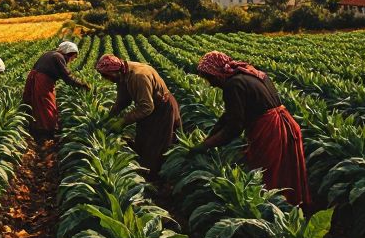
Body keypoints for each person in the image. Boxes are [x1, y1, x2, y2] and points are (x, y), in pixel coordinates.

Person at [191, 51, 311, 207]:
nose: (211, 84)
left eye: (210, 78)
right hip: (287, 124)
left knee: (266, 176)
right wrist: (210, 136)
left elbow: (234, 127)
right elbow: (229, 115)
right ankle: (293, 210)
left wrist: (205, 146)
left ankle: (275, 215)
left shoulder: (232, 85)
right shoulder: (253, 74)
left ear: (216, 72)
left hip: (270, 131)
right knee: (287, 171)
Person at [95, 54, 181, 176]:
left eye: (107, 76)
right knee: (142, 139)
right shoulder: (123, 73)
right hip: (151, 108)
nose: (107, 79)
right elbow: (123, 100)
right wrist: (110, 115)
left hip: (162, 109)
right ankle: (145, 169)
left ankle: (156, 178)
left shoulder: (138, 76)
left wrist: (123, 121)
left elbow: (147, 107)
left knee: (156, 145)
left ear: (116, 71)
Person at [22, 41, 90, 138]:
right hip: (43, 80)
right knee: (48, 105)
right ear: (68, 53)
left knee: (35, 103)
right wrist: (82, 85)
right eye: (73, 57)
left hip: (34, 77)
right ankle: (49, 132)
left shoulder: (50, 54)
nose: (72, 60)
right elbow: (67, 77)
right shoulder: (58, 57)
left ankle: (36, 128)